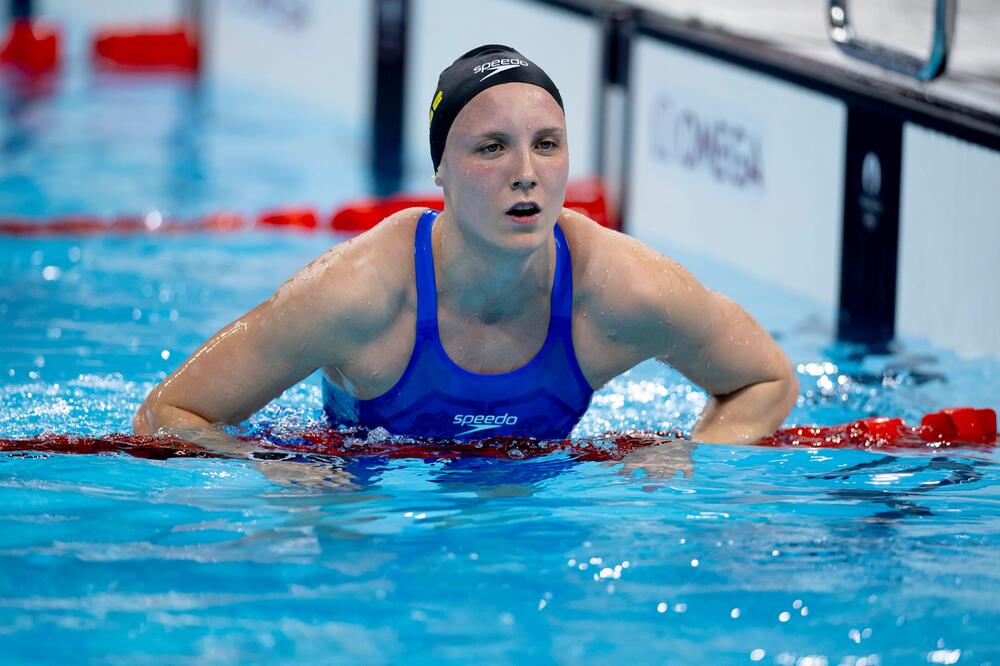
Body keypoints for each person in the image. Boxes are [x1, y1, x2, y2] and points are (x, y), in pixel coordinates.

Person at [133, 45, 798, 477]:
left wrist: (696, 455)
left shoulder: (624, 289)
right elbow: (167, 413)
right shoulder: (357, 294)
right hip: (369, 504)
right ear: (440, 171)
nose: (526, 174)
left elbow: (765, 380)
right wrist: (267, 464)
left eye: (547, 144)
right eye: (490, 149)